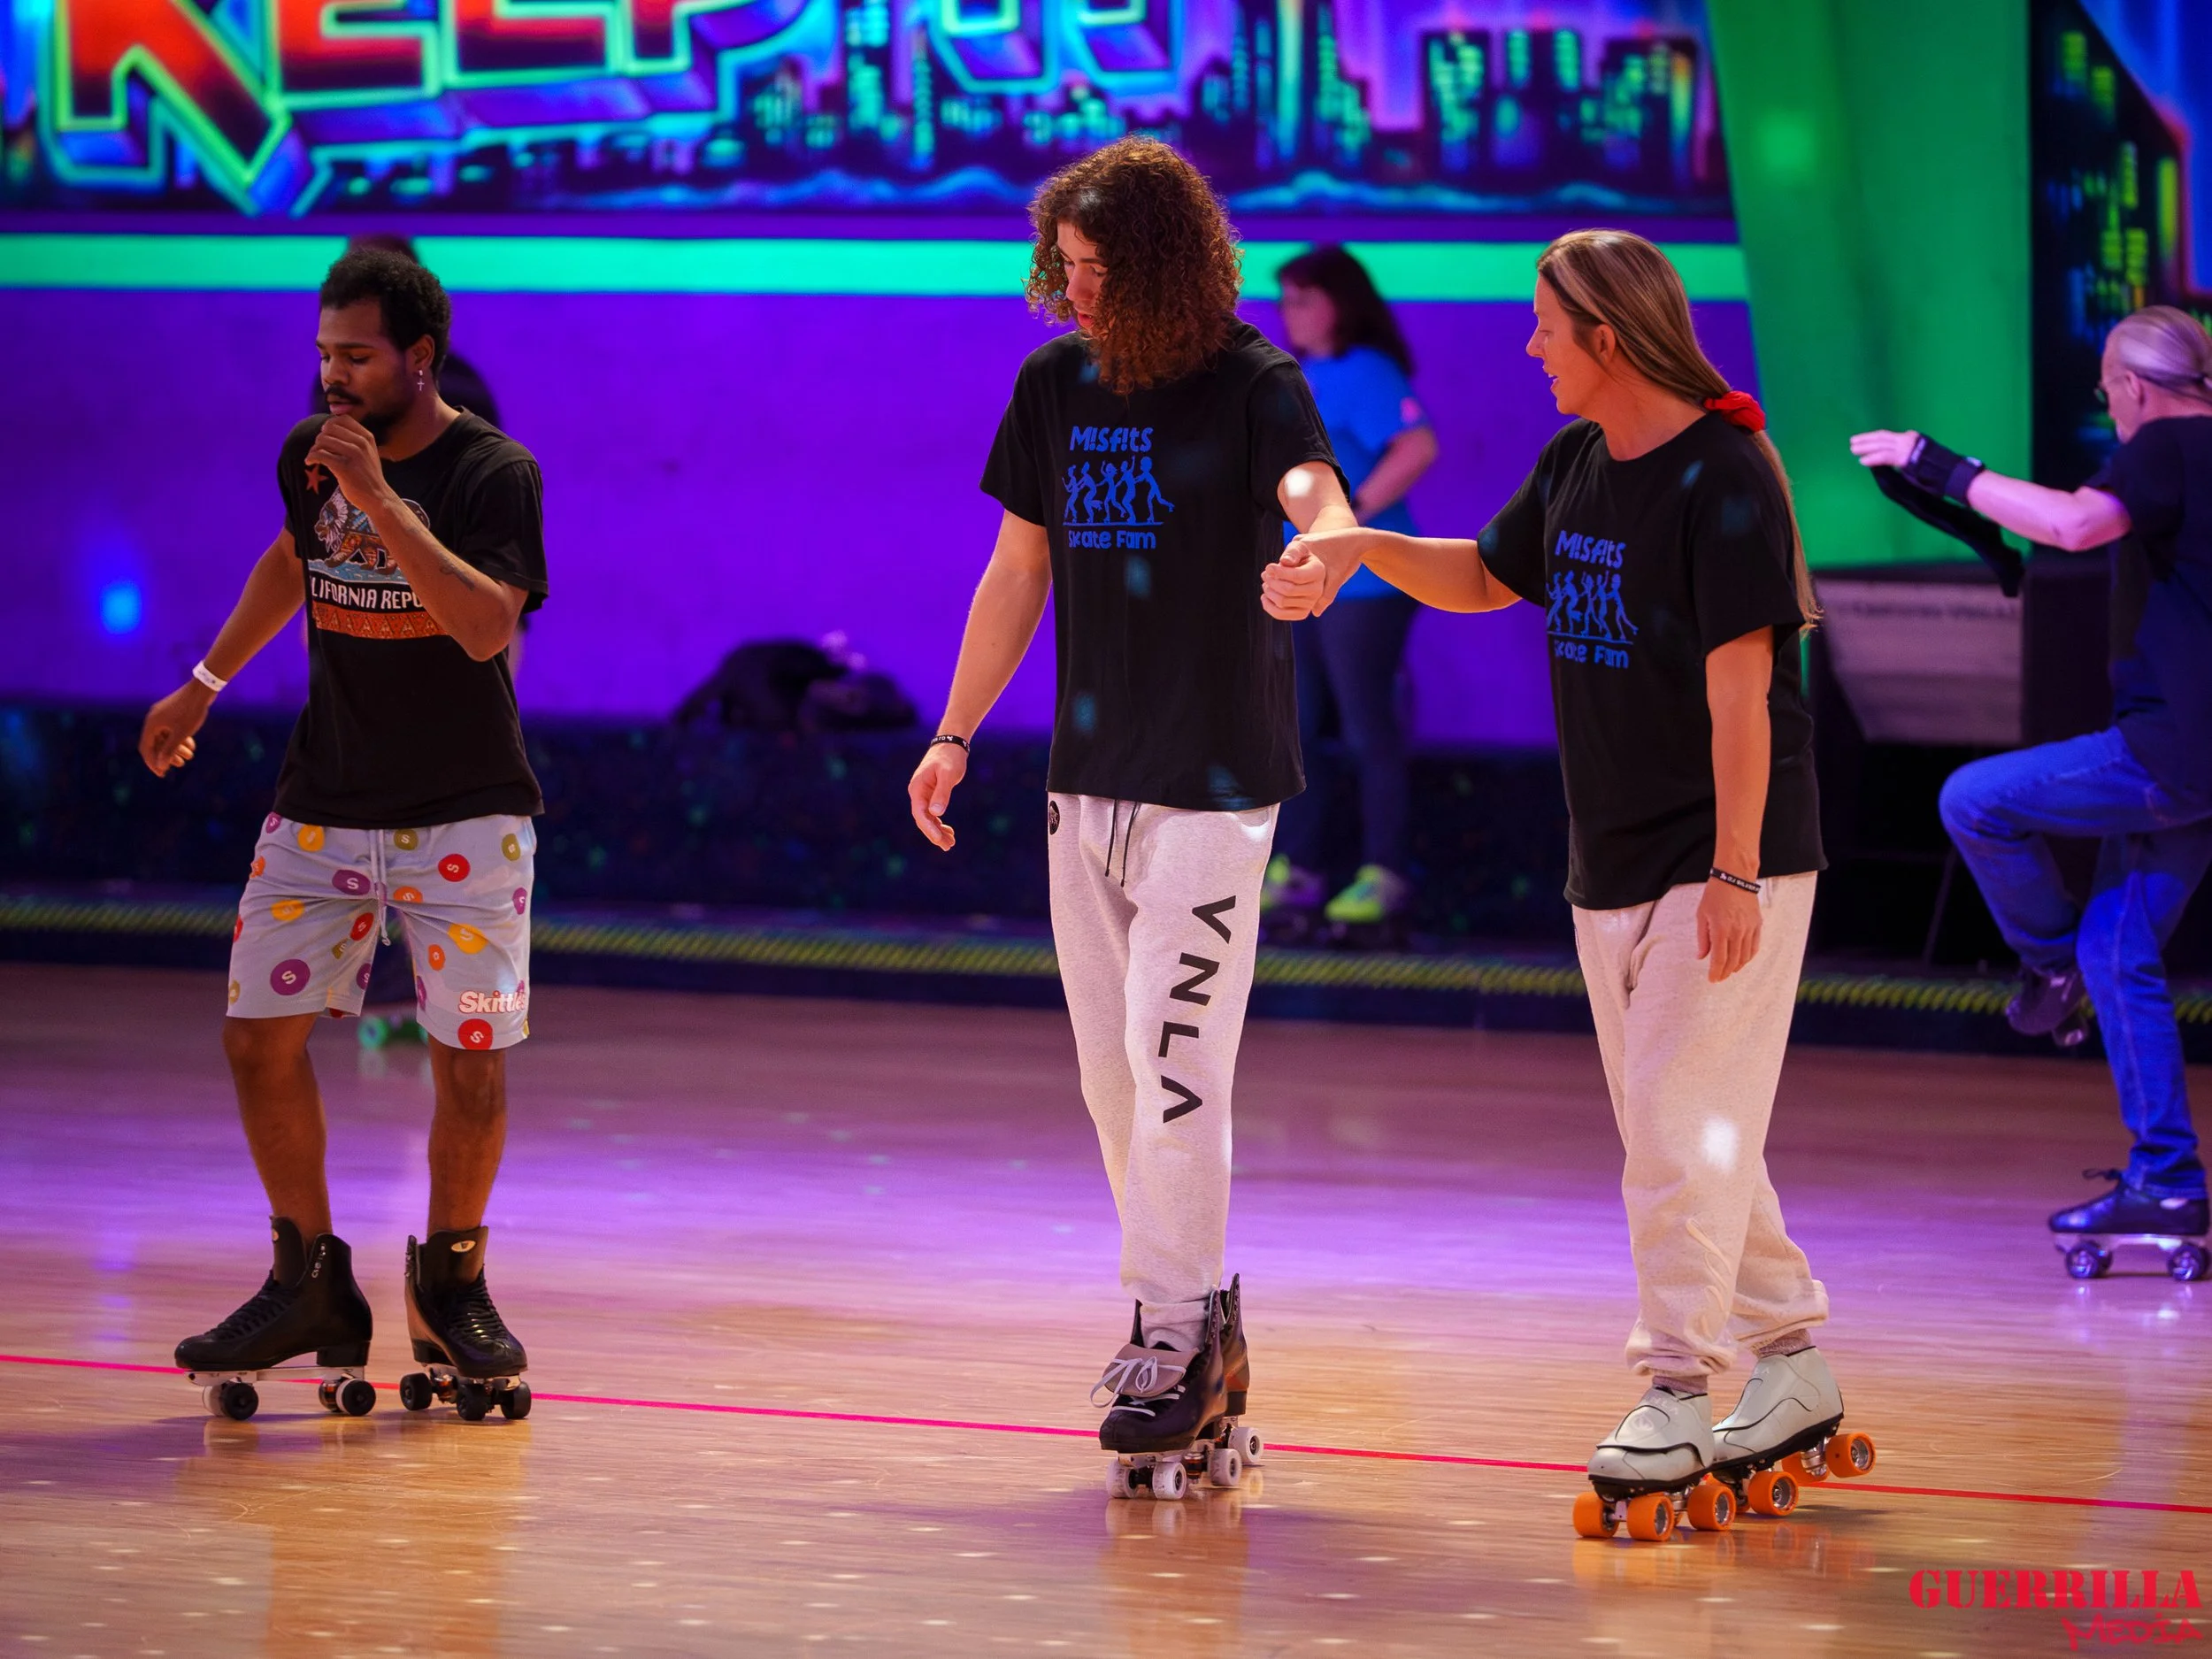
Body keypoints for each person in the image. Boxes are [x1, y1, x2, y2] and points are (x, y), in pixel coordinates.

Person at [1266, 229, 1865, 1530]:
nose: (1529, 347)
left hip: (1727, 859)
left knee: (1669, 1129)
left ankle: (1673, 1387)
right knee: (1691, 1126)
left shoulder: (1727, 475)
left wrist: (1735, 869)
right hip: (1611, 862)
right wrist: (1365, 544)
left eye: (1547, 326)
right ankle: (1794, 1361)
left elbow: (1743, 692)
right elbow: (1486, 577)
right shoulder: (1580, 461)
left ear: (1608, 333)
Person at [906, 136, 1354, 1477]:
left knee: (1175, 1066)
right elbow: (1014, 572)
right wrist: (953, 730)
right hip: (1083, 778)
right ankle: (1202, 1317)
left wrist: (1320, 553)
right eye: (1065, 264)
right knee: (1113, 1080)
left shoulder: (1254, 382)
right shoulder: (1053, 384)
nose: (1074, 287)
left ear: (1163, 262)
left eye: (1098, 267)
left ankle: (1168, 1327)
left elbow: (1312, 498)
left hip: (1212, 782)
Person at [137, 247, 548, 1416]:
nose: (333, 374)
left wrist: (377, 499)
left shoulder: (491, 470)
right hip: (321, 802)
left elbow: (482, 626)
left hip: (465, 811)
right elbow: (292, 558)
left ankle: (451, 1284)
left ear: (420, 359)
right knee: (255, 1035)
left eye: (356, 355)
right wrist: (204, 680)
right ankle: (307, 1277)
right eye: (323, 352)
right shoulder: (305, 458)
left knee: (470, 1062)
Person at [1851, 305, 2212, 1248]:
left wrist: (1940, 468)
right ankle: (2167, 1182)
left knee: (1972, 798)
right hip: (2203, 761)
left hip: (2165, 753)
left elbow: (2070, 524)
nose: (2107, 401)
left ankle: (2045, 968)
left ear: (2131, 386)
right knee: (2120, 955)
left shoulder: (2165, 448)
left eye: (2106, 386)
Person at [1264, 245, 1439, 947]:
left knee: (1369, 728)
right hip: (1306, 579)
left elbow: (1417, 446)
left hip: (1368, 584)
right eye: (1287, 301)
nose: (1292, 314)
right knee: (1299, 730)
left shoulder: (1367, 370)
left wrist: (1352, 518)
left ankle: (1383, 874)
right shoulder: (1301, 376)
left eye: (1305, 299)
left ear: (1341, 302)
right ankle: (1302, 870)